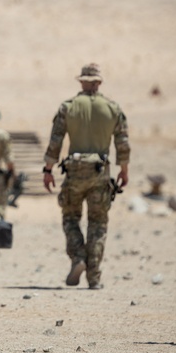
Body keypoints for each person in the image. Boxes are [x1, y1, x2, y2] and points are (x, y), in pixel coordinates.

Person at [42, 63, 130, 290]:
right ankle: (95, 278)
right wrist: (124, 170)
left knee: (70, 218)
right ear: (99, 82)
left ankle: (78, 257)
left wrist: (48, 170)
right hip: (100, 172)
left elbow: (55, 141)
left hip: (74, 171)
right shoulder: (112, 108)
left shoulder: (68, 107)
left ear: (81, 81)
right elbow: (122, 143)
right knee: (98, 224)